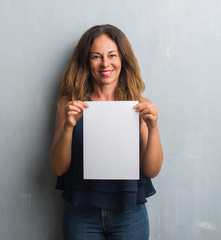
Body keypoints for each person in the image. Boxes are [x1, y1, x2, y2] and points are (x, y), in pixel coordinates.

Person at [49, 24, 163, 240]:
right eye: (96, 56)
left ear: (123, 59)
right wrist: (68, 127)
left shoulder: (140, 105)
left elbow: (152, 170)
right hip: (81, 213)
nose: (105, 63)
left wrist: (153, 128)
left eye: (112, 55)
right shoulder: (70, 103)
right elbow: (58, 166)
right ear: (86, 61)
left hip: (129, 213)